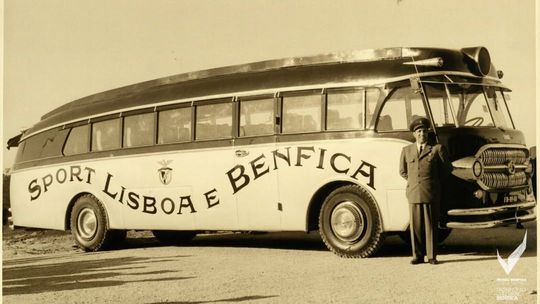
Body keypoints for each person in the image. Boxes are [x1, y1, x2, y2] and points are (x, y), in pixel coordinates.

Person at [399, 117, 451, 265]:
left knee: (431, 227)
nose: (422, 134)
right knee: (415, 227)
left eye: (424, 131)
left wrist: (432, 182)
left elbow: (447, 170)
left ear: (428, 133)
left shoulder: (436, 149)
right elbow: (402, 171)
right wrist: (415, 181)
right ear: (414, 134)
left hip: (431, 193)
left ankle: (432, 256)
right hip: (414, 192)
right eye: (419, 131)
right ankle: (417, 256)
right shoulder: (406, 150)